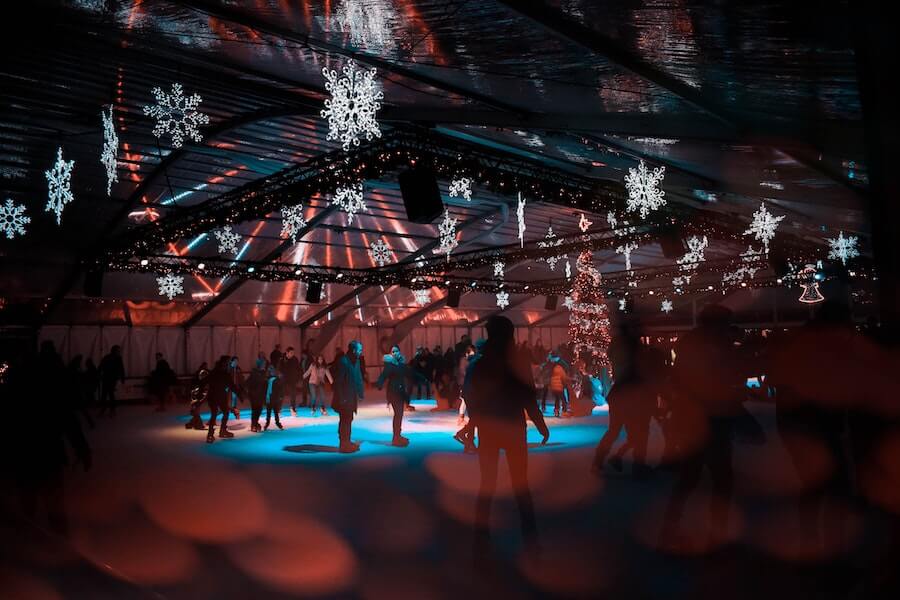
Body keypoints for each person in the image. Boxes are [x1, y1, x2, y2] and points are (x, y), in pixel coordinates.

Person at [465, 316, 549, 555]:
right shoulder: (517, 364)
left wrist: (474, 424)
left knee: (487, 484)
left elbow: (474, 399)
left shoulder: (481, 364)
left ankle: (481, 538)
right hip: (512, 428)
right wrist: (540, 425)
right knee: (520, 484)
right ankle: (530, 537)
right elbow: (528, 397)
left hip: (490, 429)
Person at [376, 346, 426, 447]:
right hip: (393, 393)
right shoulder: (390, 365)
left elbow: (411, 372)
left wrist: (422, 378)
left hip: (401, 392)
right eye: (393, 351)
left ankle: (397, 435)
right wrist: (379, 384)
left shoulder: (401, 365)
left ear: (399, 352)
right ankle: (396, 437)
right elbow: (383, 375)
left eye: (396, 351)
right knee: (398, 414)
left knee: (399, 415)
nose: (395, 353)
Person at [331, 340, 365, 453]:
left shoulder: (356, 361)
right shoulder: (344, 361)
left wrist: (360, 392)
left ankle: (347, 441)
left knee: (349, 418)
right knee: (345, 419)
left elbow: (358, 377)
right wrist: (341, 398)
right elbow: (338, 382)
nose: (361, 352)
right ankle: (343, 443)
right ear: (354, 350)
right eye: (360, 350)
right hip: (344, 397)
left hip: (351, 396)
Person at [204, 356, 235, 443]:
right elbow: (231, 385)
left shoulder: (214, 372)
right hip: (218, 396)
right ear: (225, 363)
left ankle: (211, 434)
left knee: (215, 414)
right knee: (224, 412)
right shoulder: (224, 373)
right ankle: (221, 431)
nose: (230, 365)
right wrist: (240, 393)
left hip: (213, 396)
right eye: (229, 363)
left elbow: (205, 380)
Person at [98, 345, 125, 417]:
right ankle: (108, 410)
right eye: (118, 350)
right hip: (109, 378)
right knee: (107, 394)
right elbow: (101, 366)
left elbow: (121, 368)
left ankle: (109, 410)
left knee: (108, 394)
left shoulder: (114, 358)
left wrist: (122, 378)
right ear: (115, 351)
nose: (119, 352)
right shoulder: (113, 358)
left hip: (110, 379)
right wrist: (122, 378)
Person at [245, 358, 268, 433]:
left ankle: (255, 423)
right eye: (264, 364)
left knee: (258, 410)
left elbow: (264, 385)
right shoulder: (255, 373)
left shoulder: (263, 373)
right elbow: (247, 383)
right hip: (255, 395)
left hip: (260, 395)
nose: (265, 365)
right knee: (255, 410)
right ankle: (254, 425)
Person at [185, 362, 208, 430]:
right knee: (196, 413)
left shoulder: (203, 383)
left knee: (196, 412)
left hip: (197, 399)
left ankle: (191, 424)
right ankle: (197, 425)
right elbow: (195, 393)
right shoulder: (200, 384)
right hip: (196, 399)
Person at [263, 364, 285, 431]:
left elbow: (280, 389)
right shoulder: (270, 380)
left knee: (272, 411)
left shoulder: (274, 380)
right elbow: (280, 389)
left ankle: (272, 423)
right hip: (271, 398)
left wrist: (280, 396)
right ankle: (274, 423)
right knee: (272, 411)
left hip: (272, 398)